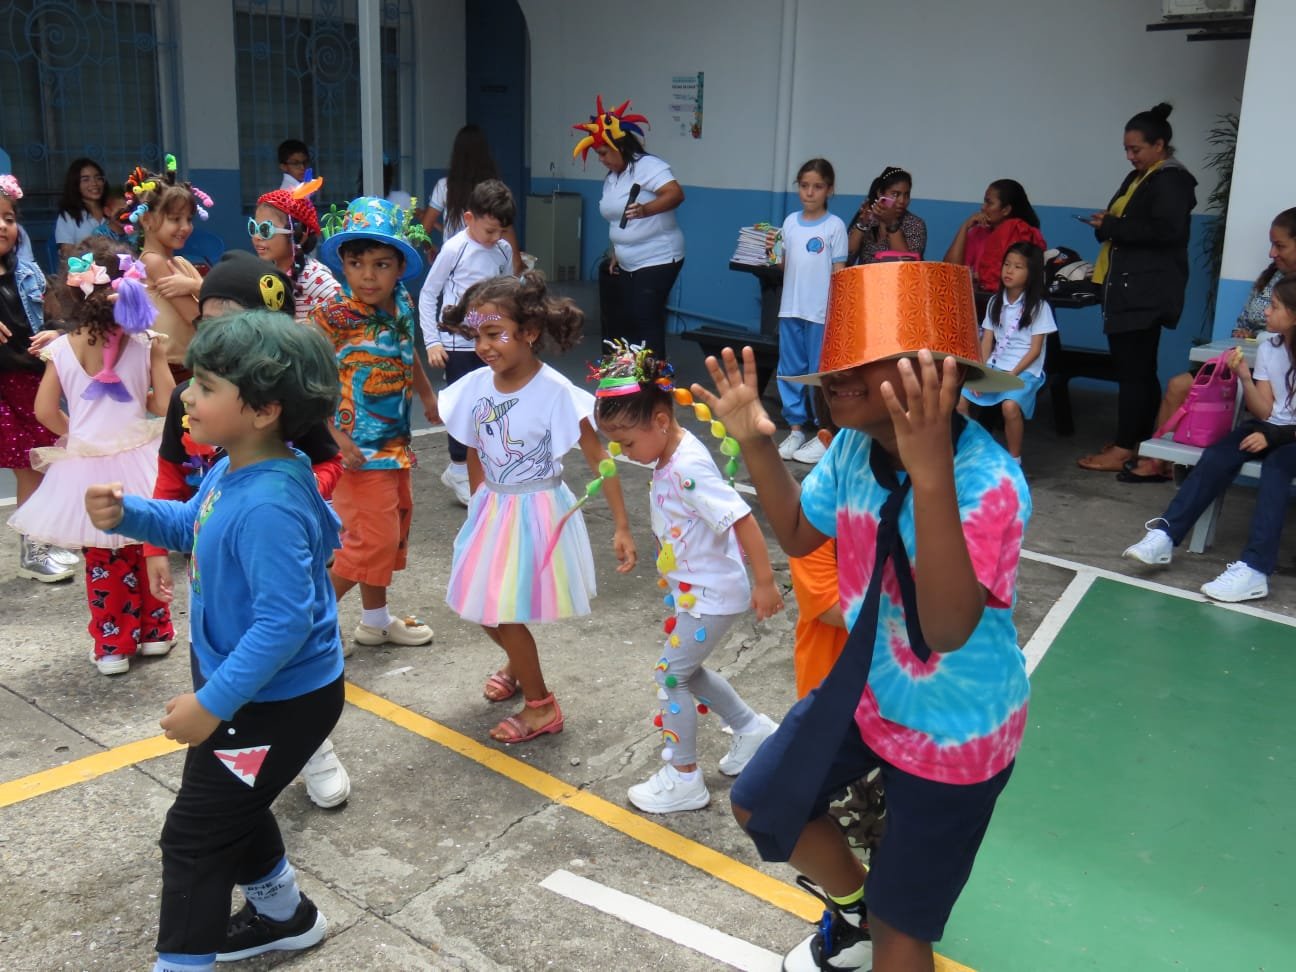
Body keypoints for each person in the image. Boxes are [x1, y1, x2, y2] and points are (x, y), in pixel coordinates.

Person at [692, 260, 1031, 972]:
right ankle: (856, 912)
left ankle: (885, 922)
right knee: (763, 801)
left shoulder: (988, 481)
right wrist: (755, 439)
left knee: (906, 934)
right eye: (834, 362)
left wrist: (929, 474)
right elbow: (798, 535)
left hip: (954, 733)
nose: (835, 375)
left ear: (937, 376)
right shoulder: (853, 446)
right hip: (868, 691)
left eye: (862, 360)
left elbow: (945, 632)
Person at [85, 311, 345, 971]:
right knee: (232, 806)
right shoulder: (238, 468)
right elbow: (195, 523)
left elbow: (283, 623)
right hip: (249, 693)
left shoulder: (269, 504)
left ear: (262, 410)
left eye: (204, 386)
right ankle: (285, 916)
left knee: (195, 838)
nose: (186, 397)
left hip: (273, 703)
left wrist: (212, 703)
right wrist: (130, 514)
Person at [437, 273, 637, 743]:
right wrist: (477, 504)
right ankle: (517, 662)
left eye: (494, 334)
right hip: (493, 508)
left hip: (537, 514)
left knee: (502, 610)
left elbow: (599, 459)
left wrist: (622, 525)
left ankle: (540, 706)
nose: (483, 347)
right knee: (481, 606)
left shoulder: (555, 392)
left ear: (528, 332)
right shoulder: (475, 387)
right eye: (477, 336)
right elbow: (475, 447)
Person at [591, 342, 781, 812]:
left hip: (712, 595)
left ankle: (684, 777)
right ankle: (752, 729)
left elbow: (742, 518)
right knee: (686, 672)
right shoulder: (669, 455)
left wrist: (764, 582)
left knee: (670, 676)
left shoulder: (687, 469)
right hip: (696, 592)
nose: (624, 452)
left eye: (627, 442)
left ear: (660, 421)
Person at [8, 241, 175, 673]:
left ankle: (114, 644)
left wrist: (75, 434)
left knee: (103, 557)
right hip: (140, 460)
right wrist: (157, 358)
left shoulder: (62, 348)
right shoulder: (143, 342)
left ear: (73, 290)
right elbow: (164, 404)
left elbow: (44, 411)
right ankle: (155, 631)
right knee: (144, 546)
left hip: (86, 471)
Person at [1123, 276, 1296, 603]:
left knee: (1276, 469)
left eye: (1274, 307)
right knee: (1218, 455)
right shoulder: (1270, 348)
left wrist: (1274, 435)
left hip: (1288, 437)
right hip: (1269, 428)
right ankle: (1165, 536)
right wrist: (1244, 376)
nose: (1266, 312)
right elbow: (1265, 410)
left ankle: (1256, 570)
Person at [315, 196, 439, 649]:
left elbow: (408, 352)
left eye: (381, 265)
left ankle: (375, 621)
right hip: (356, 454)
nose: (368, 276)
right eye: (356, 264)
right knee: (370, 542)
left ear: (400, 266)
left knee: (389, 535)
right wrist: (333, 437)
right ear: (343, 266)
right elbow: (305, 381)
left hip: (394, 447)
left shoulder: (402, 301)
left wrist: (427, 395)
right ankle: (305, 626)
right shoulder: (332, 317)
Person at [1123, 207, 1296, 482]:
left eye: (1280, 246)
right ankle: (1157, 463)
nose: (1272, 253)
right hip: (1247, 364)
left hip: (1274, 380)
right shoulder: (1272, 278)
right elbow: (1245, 320)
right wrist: (1243, 332)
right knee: (1178, 385)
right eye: (1271, 245)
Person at [1077, 103, 1197, 473]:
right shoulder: (1140, 177)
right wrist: (1106, 224)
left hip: (1144, 291)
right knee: (1137, 370)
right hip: (1126, 287)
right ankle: (1138, 440)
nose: (1130, 156)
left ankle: (1124, 447)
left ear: (1159, 145)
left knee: (1133, 373)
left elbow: (1167, 231)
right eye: (1127, 150)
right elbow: (1124, 221)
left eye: (1136, 149)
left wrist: (1113, 227)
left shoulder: (1171, 180)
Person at [419, 179, 517, 506]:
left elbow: (506, 292)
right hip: (457, 343)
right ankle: (458, 468)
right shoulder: (454, 248)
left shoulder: (502, 250)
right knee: (463, 409)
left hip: (491, 343)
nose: (495, 238)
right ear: (469, 218)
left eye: (501, 231)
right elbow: (428, 294)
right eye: (489, 230)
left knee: (492, 405)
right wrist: (433, 342)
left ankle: (484, 468)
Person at [0, 172, 77, 582]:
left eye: (9, 218)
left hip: (33, 385)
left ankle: (41, 538)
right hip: (4, 388)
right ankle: (32, 551)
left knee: (48, 462)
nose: (3, 226)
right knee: (29, 467)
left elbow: (60, 318)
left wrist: (57, 333)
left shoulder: (28, 274)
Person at [575, 96, 685, 353]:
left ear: (620, 146)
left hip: (659, 255)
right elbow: (616, 218)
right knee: (630, 318)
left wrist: (646, 210)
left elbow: (675, 194)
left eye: (603, 153)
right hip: (627, 259)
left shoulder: (647, 166)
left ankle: (655, 373)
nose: (601, 159)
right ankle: (635, 369)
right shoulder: (612, 178)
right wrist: (616, 251)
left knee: (646, 316)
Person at [773, 159, 848, 466]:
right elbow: (784, 265)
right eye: (804, 186)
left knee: (819, 372)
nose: (809, 192)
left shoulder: (835, 226)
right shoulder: (790, 222)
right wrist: (772, 252)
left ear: (829, 189)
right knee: (790, 370)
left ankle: (823, 431)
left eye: (817, 186)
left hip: (820, 313)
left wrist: (836, 313)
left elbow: (839, 273)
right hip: (791, 308)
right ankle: (795, 429)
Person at [959, 242, 1058, 460]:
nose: (1009, 270)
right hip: (995, 366)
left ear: (1031, 273)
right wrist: (980, 373)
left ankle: (1015, 459)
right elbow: (987, 341)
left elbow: (1035, 351)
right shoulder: (995, 301)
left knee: (1010, 406)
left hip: (1025, 371)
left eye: (1018, 267)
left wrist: (1011, 376)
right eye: (1007, 264)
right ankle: (973, 448)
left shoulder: (1039, 307)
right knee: (959, 399)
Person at [119, 159, 212, 378]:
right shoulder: (153, 262)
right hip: (171, 370)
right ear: (146, 220)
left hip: (189, 365)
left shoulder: (181, 264)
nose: (185, 227)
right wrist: (200, 288)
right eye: (175, 219)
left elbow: (209, 308)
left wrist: (195, 285)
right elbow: (199, 317)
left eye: (189, 219)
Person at [421, 124, 524, 272]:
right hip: (487, 265)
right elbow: (506, 229)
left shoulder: (444, 186)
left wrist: (429, 248)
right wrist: (518, 264)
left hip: (454, 266)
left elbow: (424, 228)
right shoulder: (494, 187)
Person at [248, 178, 342, 324]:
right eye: (253, 227)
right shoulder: (268, 271)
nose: (256, 236)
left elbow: (344, 314)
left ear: (299, 234)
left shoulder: (314, 277)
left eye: (265, 229)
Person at [942, 179, 1046, 295]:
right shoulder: (979, 232)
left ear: (1005, 210)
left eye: (989, 203)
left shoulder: (1022, 232)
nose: (983, 207)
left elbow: (1017, 279)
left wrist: (981, 278)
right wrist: (965, 226)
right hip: (976, 301)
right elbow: (949, 271)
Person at [847, 166, 926, 266]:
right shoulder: (869, 219)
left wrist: (891, 223)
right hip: (866, 276)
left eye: (906, 195)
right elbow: (846, 260)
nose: (902, 200)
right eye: (895, 194)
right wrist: (862, 225)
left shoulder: (915, 224)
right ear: (880, 193)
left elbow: (907, 266)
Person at [53, 158, 108, 260]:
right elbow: (67, 254)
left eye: (98, 178)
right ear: (75, 184)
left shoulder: (112, 209)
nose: (94, 183)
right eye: (86, 179)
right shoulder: (68, 216)